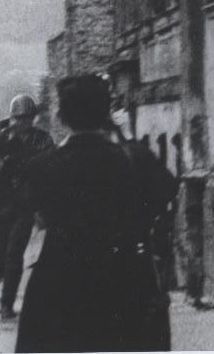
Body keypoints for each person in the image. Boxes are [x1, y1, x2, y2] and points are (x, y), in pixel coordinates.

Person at [15, 75, 178, 353]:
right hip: (126, 282)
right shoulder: (133, 159)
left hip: (60, 286)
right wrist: (126, 138)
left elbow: (33, 212)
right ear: (106, 114)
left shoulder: (42, 166)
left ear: (61, 115)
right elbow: (166, 190)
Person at [0, 94, 53, 319]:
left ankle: (6, 304)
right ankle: (0, 265)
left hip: (24, 203)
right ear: (12, 118)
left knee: (14, 254)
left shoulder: (42, 140)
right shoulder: (1, 138)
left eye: (26, 118)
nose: (22, 123)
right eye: (18, 118)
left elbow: (51, 163)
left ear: (33, 119)